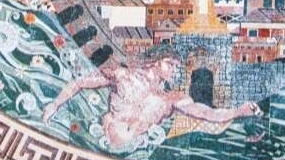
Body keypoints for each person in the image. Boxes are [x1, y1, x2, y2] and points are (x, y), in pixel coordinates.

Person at [41, 55, 259, 152]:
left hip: (135, 149)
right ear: (156, 61)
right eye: (170, 64)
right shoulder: (123, 75)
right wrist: (54, 105)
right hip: (100, 140)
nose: (174, 70)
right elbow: (81, 82)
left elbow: (207, 113)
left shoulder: (171, 98)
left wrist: (239, 111)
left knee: (156, 103)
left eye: (176, 66)